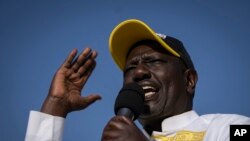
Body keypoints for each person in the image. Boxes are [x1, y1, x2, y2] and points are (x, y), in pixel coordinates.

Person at [25, 19, 250, 141]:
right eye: (130, 67)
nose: (138, 72)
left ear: (189, 80)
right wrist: (56, 106)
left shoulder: (231, 128)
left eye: (153, 61)